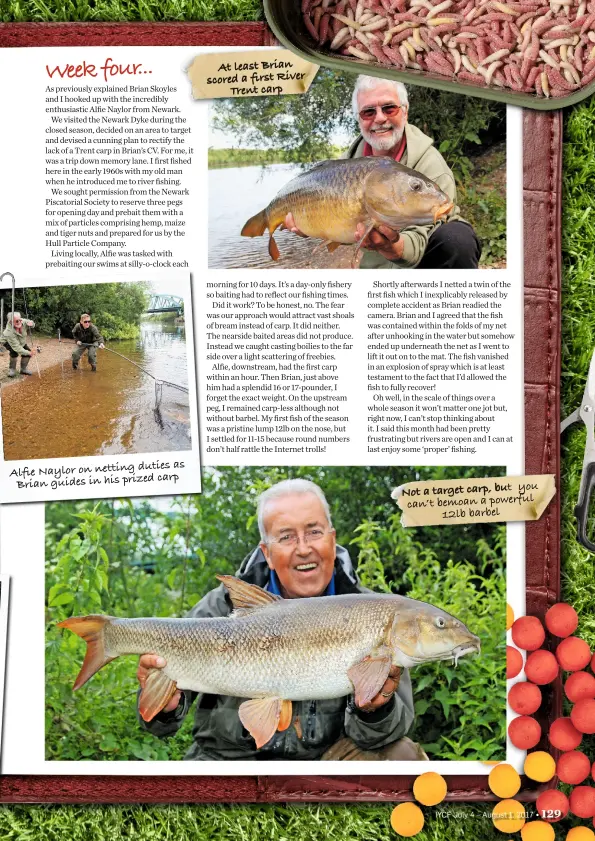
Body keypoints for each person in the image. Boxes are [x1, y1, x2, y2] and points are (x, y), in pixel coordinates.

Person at [137, 479, 427, 761]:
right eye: (286, 536)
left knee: (403, 755)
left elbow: (394, 729)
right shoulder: (222, 606)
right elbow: (159, 725)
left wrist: (374, 710)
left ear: (332, 538)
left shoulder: (376, 612)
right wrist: (166, 705)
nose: (303, 548)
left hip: (326, 759)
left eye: (314, 532)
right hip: (229, 758)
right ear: (267, 554)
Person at [285, 76, 481, 270]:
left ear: (405, 111)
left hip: (427, 262)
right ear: (359, 120)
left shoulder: (432, 166)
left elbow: (424, 233)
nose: (379, 118)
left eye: (389, 108)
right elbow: (343, 226)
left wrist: (393, 248)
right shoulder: (346, 165)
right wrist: (311, 226)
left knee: (457, 239)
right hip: (376, 269)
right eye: (368, 112)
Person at [3, 312, 35, 378]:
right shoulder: (8, 332)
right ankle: (12, 370)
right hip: (7, 341)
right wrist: (29, 352)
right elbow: (17, 348)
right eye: (17, 321)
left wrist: (31, 324)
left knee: (27, 354)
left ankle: (23, 370)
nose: (20, 322)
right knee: (14, 352)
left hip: (20, 341)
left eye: (20, 319)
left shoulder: (22, 321)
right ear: (11, 322)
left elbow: (32, 323)